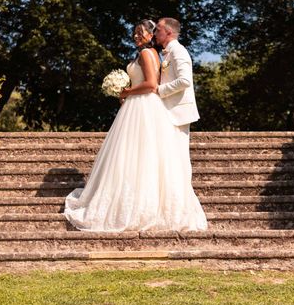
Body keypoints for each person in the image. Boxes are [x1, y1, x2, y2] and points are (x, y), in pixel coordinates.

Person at [63, 20, 207, 232]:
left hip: (145, 106)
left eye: (142, 32)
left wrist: (127, 92)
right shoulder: (155, 54)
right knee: (135, 156)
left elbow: (151, 84)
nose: (137, 36)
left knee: (136, 155)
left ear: (152, 35)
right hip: (141, 106)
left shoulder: (151, 54)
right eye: (135, 32)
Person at [153, 17, 199, 180]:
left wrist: (159, 90)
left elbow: (185, 80)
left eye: (158, 29)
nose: (155, 33)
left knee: (179, 155)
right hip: (169, 110)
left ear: (169, 32)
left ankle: (183, 193)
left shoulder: (178, 51)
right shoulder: (167, 53)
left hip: (178, 113)